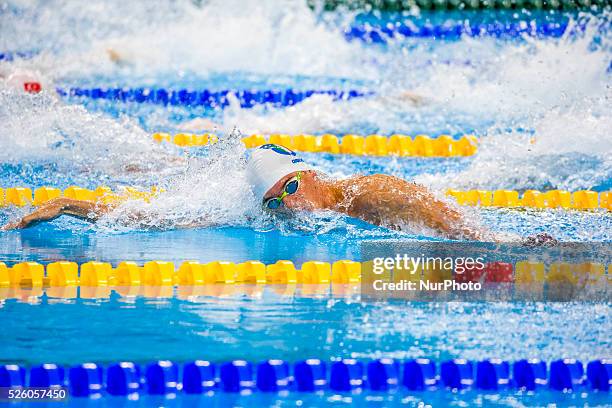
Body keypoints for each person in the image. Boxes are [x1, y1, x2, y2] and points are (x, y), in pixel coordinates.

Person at [2, 143, 502, 241]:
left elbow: (458, 229)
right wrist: (70, 204)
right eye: (273, 201)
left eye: (287, 189)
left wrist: (505, 251)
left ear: (303, 174)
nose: (286, 205)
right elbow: (156, 218)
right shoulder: (263, 214)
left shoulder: (369, 194)